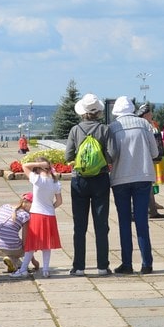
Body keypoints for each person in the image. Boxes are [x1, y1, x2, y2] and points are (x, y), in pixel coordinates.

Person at [107, 96, 158, 275]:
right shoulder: (144, 124)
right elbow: (154, 152)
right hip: (143, 175)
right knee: (142, 221)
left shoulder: (113, 127)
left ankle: (127, 263)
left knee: (124, 222)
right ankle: (147, 263)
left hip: (120, 178)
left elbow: (110, 155)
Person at [64, 93, 112, 276]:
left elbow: (68, 155)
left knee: (79, 225)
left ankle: (79, 266)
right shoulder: (104, 129)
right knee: (101, 224)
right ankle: (102, 266)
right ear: (98, 111)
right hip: (100, 179)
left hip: (79, 180)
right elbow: (112, 155)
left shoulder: (75, 130)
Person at [11, 157, 62, 278]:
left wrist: (39, 164)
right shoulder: (55, 182)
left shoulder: (37, 179)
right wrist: (50, 207)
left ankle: (23, 269)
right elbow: (59, 202)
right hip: (50, 215)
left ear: (38, 168)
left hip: (37, 214)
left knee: (31, 244)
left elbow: (24, 165)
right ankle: (45, 270)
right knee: (47, 244)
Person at [0, 193, 36, 273]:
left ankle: (13, 262)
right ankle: (13, 260)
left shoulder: (4, 207)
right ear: (29, 204)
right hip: (11, 248)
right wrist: (34, 261)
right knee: (26, 245)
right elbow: (25, 242)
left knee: (14, 244)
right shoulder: (25, 215)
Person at [136, 103, 164, 219]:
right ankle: (150, 210)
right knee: (146, 185)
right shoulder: (143, 126)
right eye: (149, 113)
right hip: (145, 158)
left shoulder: (151, 124)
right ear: (144, 115)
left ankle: (152, 210)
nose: (151, 115)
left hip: (151, 157)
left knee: (149, 184)